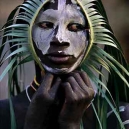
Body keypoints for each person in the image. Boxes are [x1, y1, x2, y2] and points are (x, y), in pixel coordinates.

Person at [0, 0, 129, 129]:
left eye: (76, 27)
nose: (60, 39)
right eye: (46, 25)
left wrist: (70, 125)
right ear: (26, 32)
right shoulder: (3, 114)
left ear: (92, 36)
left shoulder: (120, 118)